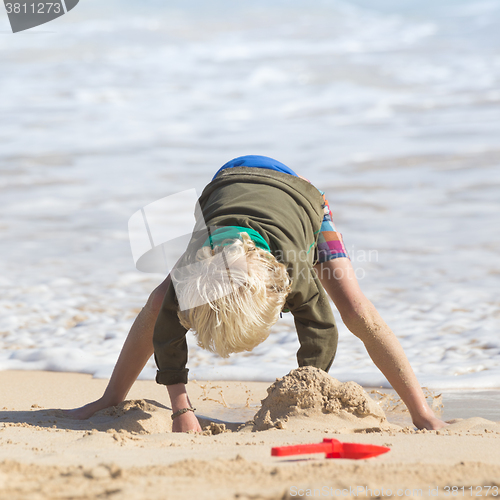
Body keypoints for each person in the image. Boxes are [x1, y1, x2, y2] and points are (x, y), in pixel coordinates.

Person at [67, 155, 447, 431]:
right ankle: (110, 398)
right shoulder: (192, 274)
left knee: (354, 308)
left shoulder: (294, 271)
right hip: (225, 185)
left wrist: (307, 388)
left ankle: (420, 410)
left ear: (279, 291)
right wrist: (181, 410)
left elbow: (321, 328)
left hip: (303, 199)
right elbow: (166, 329)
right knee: (157, 302)